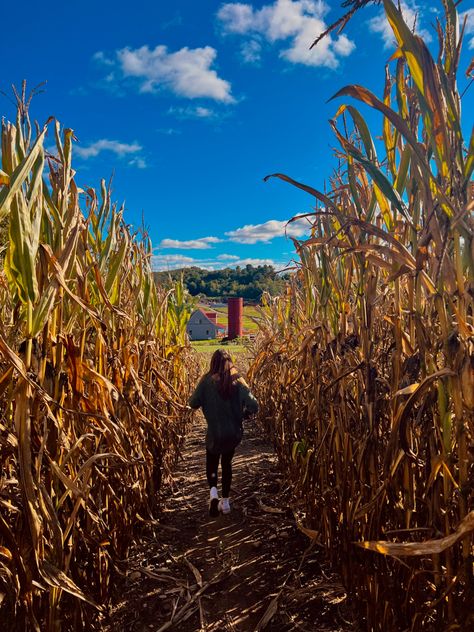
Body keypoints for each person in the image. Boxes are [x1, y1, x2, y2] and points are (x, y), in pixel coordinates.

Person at [189, 349, 259, 516]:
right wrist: (244, 415)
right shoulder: (237, 381)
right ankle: (226, 503)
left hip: (214, 434)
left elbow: (193, 403)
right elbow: (254, 405)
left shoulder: (206, 381)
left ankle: (214, 495)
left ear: (213, 363)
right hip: (232, 434)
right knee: (227, 464)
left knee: (212, 463)